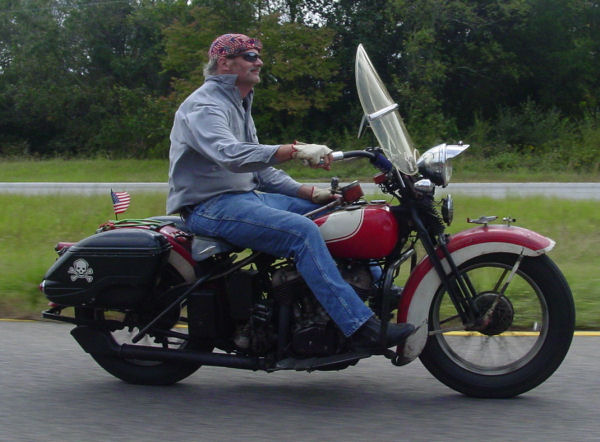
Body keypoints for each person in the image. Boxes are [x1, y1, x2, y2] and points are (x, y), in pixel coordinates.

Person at [166, 33, 414, 351]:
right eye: (250, 56)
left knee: (337, 213)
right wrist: (293, 150)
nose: (259, 61)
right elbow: (230, 153)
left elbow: (260, 171)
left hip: (244, 198)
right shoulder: (204, 106)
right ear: (224, 63)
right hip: (209, 206)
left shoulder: (237, 103)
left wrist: (309, 192)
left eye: (258, 55)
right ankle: (357, 326)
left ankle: (375, 293)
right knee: (301, 233)